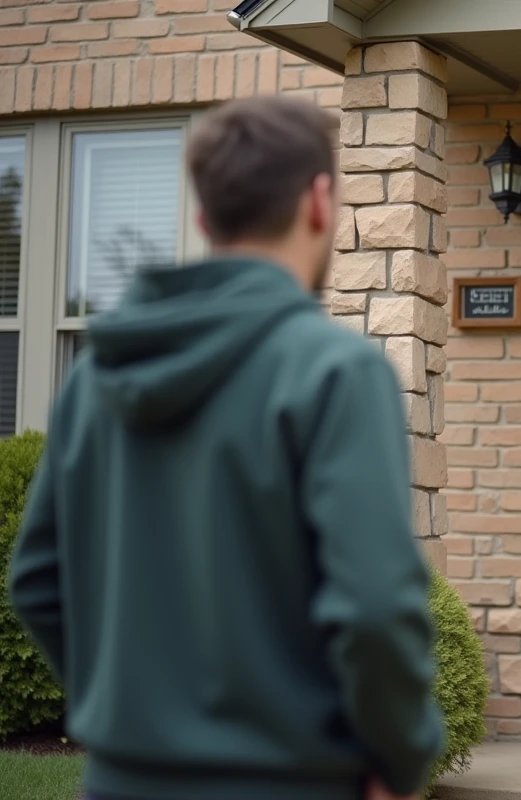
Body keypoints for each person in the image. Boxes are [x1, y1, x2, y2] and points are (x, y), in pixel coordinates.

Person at [7, 96, 444, 800]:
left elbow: (36, 581)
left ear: (206, 217)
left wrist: (132, 717)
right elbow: (372, 608)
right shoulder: (335, 371)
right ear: (320, 201)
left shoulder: (95, 375)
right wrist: (400, 757)